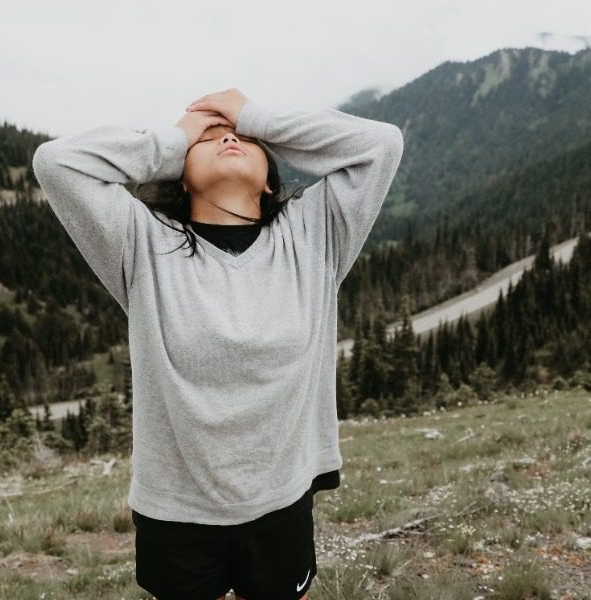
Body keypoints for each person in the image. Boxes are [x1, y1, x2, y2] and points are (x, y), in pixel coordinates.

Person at [31, 88, 404, 600]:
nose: (228, 136)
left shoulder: (315, 236)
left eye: (244, 139)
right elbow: (56, 163)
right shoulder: (141, 243)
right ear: (177, 175)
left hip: (282, 498)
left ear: (271, 183)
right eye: (208, 140)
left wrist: (253, 114)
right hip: (177, 510)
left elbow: (380, 145)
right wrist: (175, 137)